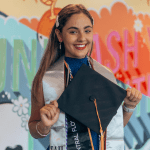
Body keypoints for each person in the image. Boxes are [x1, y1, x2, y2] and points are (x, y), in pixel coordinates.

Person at [28, 4, 142, 150]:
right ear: (59, 35)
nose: (82, 38)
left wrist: (129, 107)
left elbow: (109, 129)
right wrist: (44, 126)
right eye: (73, 32)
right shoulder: (46, 79)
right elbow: (34, 129)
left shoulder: (105, 74)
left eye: (87, 31)